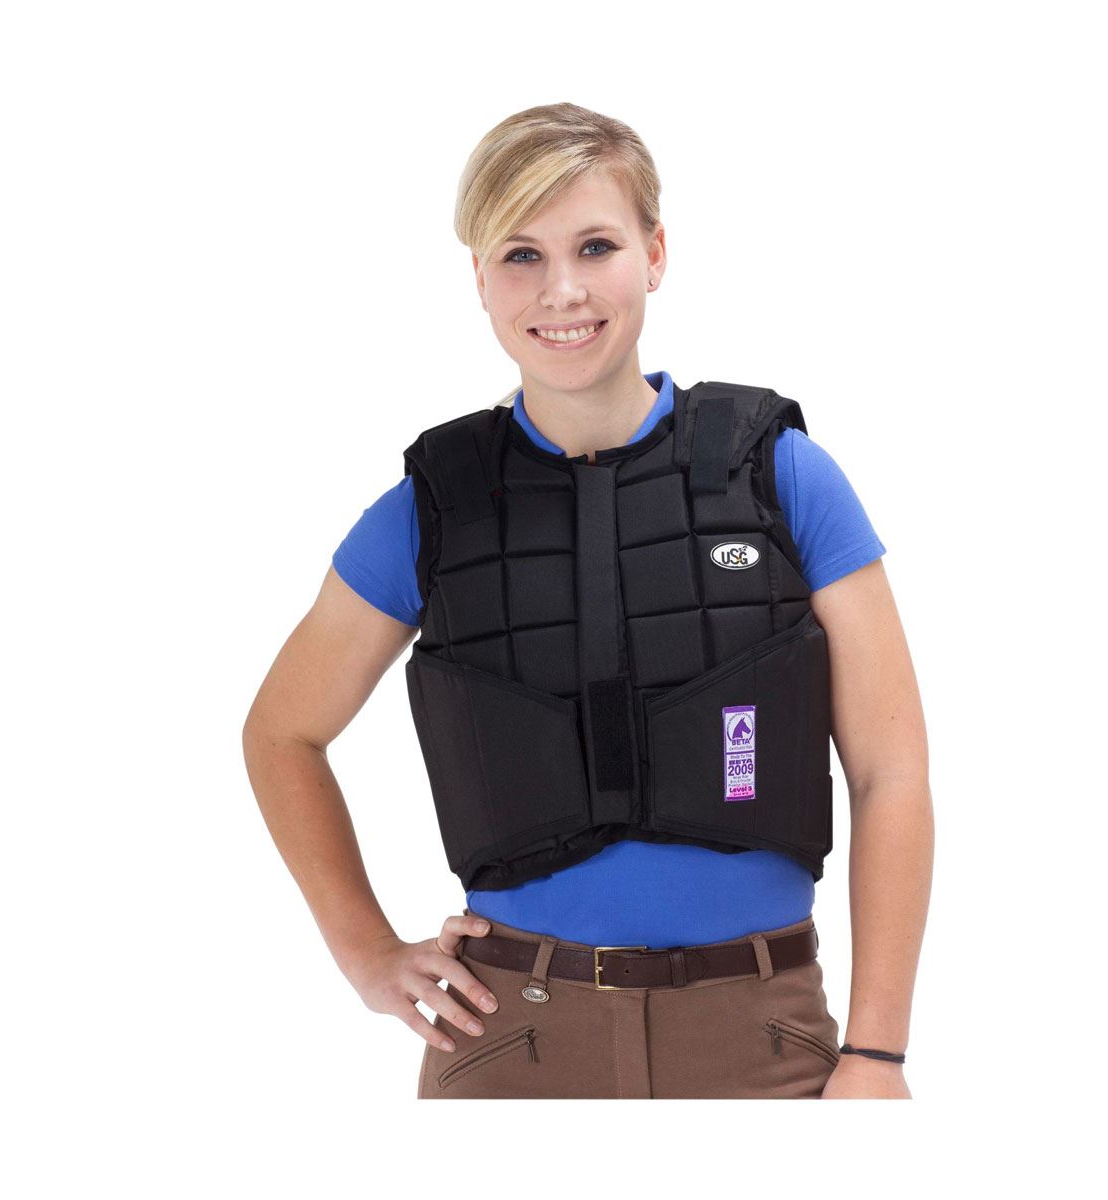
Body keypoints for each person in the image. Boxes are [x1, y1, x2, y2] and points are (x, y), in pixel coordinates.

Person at [242, 102, 933, 1100]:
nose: (560, 290)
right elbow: (280, 733)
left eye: (595, 246)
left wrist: (877, 1051)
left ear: (654, 254)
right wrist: (365, 954)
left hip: (762, 1039)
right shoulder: (431, 510)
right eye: (521, 254)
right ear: (479, 278)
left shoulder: (781, 476)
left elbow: (890, 773)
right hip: (508, 1041)